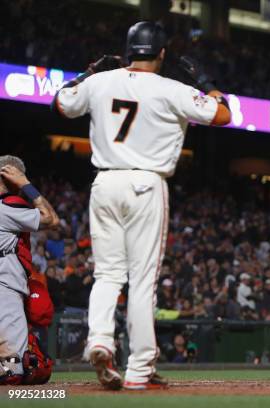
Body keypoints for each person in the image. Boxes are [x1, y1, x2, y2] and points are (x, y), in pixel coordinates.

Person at [51, 21, 231, 390]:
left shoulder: (100, 82)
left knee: (107, 274)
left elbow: (60, 102)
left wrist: (88, 73)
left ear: (128, 50)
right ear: (162, 54)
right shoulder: (172, 88)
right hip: (146, 184)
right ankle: (139, 369)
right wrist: (207, 83)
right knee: (142, 282)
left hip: (104, 182)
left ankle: (99, 340)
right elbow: (223, 114)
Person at [0, 158, 59, 385]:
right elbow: (51, 218)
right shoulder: (7, 207)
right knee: (15, 371)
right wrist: (25, 183)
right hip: (4, 285)